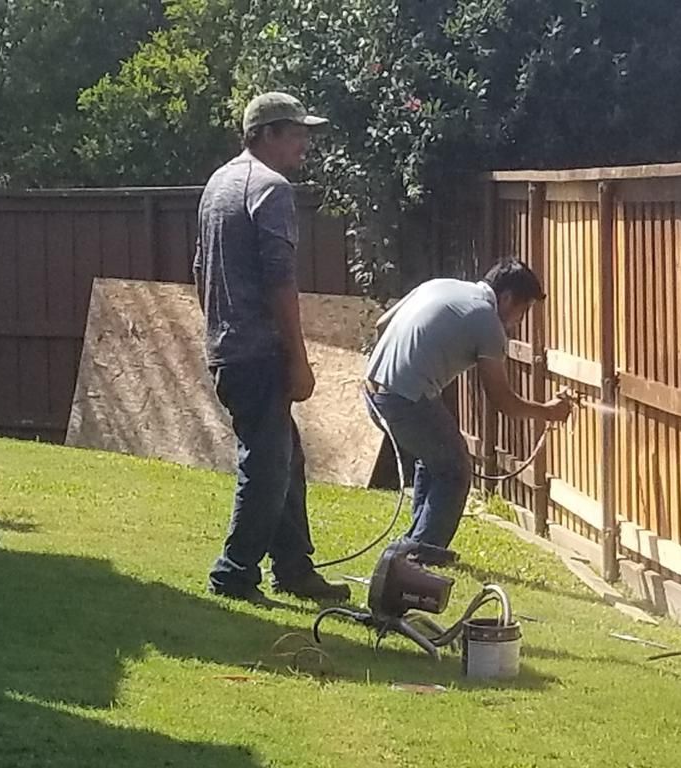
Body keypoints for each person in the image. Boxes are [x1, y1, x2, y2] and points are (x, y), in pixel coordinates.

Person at [193, 92, 349, 604]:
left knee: (286, 456)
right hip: (259, 351)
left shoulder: (218, 185)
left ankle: (293, 566)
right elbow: (280, 282)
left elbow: (200, 270)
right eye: (294, 132)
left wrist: (217, 327)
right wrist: (298, 359)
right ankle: (234, 572)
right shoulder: (272, 189)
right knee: (265, 463)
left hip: (228, 346)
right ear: (264, 135)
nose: (304, 142)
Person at [364, 259, 571, 563]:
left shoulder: (441, 285)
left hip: (371, 391)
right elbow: (502, 400)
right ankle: (420, 555)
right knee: (456, 470)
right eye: (522, 311)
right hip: (403, 401)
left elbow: (382, 325)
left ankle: (415, 544)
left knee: (434, 459)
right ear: (508, 298)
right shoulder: (486, 321)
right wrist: (548, 412)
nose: (517, 322)